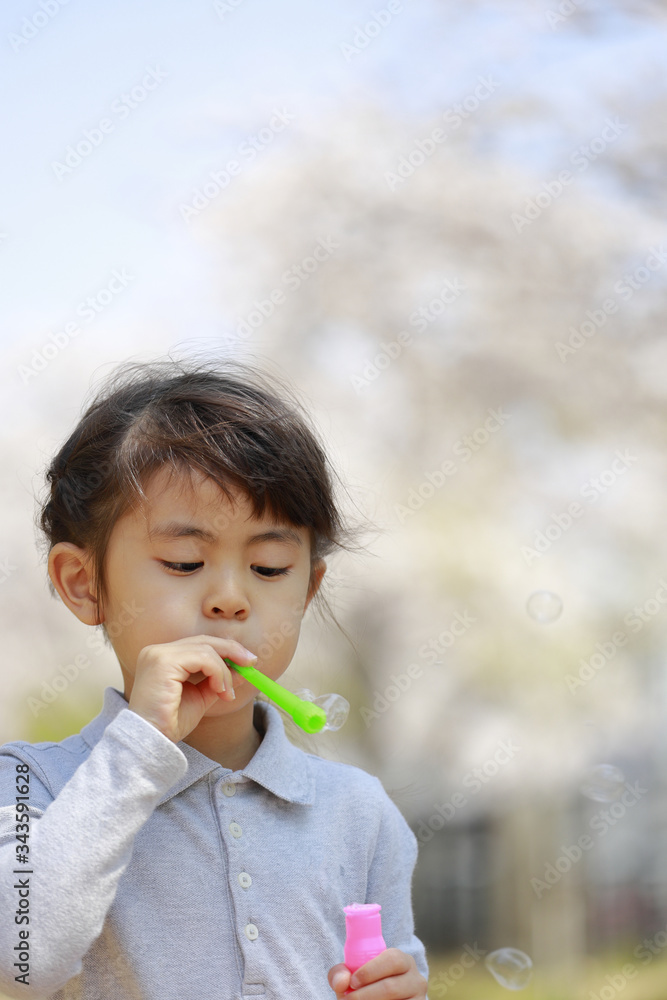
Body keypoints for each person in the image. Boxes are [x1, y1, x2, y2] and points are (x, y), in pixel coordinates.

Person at [0, 355, 430, 999]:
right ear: (83, 583)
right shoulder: (31, 785)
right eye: (183, 561)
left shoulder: (357, 812)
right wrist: (139, 750)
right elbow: (20, 960)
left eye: (269, 568)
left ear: (310, 587)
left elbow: (393, 972)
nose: (230, 599)